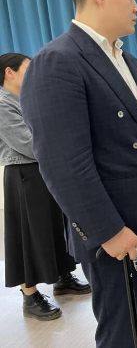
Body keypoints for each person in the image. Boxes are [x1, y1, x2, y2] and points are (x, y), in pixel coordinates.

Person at [20, 0, 137, 347]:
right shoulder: (57, 62)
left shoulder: (128, 60)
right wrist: (109, 232)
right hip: (119, 235)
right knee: (122, 336)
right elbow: (64, 164)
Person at [0, 53, 90, 322]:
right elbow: (27, 143)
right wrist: (59, 142)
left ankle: (62, 277)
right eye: (28, 69)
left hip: (45, 169)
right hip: (23, 174)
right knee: (29, 235)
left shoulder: (26, 98)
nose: (34, 73)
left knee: (55, 228)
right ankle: (30, 296)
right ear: (9, 72)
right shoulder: (2, 104)